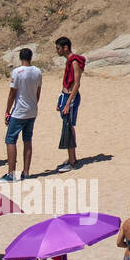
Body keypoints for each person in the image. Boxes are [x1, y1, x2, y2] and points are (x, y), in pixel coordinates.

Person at [0, 48, 41, 181]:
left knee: (10, 140)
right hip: (32, 110)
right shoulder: (37, 72)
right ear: (31, 57)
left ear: (20, 57)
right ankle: (26, 172)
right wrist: (34, 104)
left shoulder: (17, 72)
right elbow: (38, 92)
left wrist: (7, 110)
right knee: (27, 140)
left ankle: (11, 173)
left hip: (19, 112)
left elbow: (12, 93)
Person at [54, 36, 84, 171]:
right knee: (68, 126)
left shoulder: (74, 62)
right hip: (65, 96)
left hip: (71, 98)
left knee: (68, 127)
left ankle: (72, 162)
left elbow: (76, 84)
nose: (57, 51)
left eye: (58, 48)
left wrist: (67, 103)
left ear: (65, 48)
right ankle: (72, 158)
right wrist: (60, 99)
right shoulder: (69, 61)